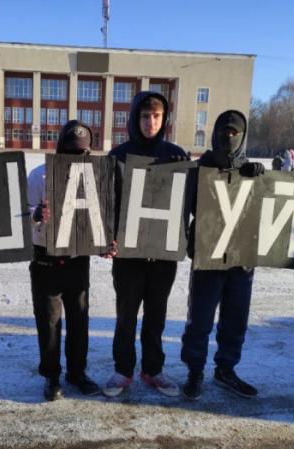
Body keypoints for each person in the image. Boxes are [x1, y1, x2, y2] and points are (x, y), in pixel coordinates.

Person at [103, 91, 187, 397]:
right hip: (128, 256)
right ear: (133, 118)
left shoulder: (176, 155)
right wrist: (107, 237)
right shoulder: (118, 156)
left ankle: (153, 370)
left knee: (156, 317)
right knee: (126, 316)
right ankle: (122, 370)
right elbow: (107, 202)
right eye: (144, 115)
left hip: (163, 256)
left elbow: (191, 202)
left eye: (156, 116)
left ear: (164, 119)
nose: (150, 122)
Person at [180, 110, 265, 401]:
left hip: (241, 259)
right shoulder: (200, 168)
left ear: (242, 137)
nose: (228, 138)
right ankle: (195, 372)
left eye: (234, 133)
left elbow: (263, 215)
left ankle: (226, 369)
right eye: (223, 132)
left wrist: (259, 181)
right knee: (200, 320)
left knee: (235, 319)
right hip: (208, 257)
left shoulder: (251, 170)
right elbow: (183, 209)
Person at [27, 120, 100, 401]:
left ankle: (77, 372)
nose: (75, 157)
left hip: (78, 258)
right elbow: (20, 215)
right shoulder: (39, 176)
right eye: (70, 151)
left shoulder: (94, 177)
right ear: (60, 148)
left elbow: (101, 217)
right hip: (45, 258)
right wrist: (36, 215)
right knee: (48, 321)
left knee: (80, 319)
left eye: (81, 152)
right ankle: (51, 375)